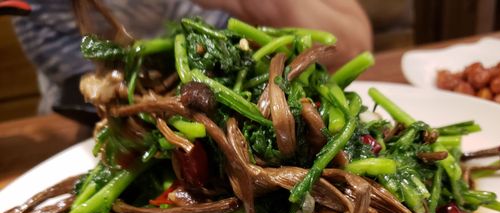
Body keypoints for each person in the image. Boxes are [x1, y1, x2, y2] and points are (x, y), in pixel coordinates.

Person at [13, 0, 372, 115]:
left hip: (249, 99)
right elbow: (93, 94)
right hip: (82, 130)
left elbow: (352, 45)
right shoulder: (39, 6)